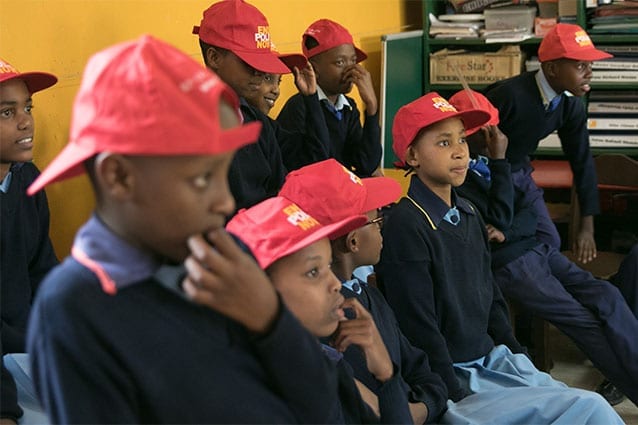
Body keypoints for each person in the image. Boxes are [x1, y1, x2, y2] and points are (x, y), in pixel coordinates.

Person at [25, 35, 340, 424]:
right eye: (202, 179)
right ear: (119, 176)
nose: (226, 202)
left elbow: (323, 406)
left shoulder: (227, 259)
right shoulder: (75, 309)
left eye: (225, 173)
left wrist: (270, 322)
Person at [377, 92, 624, 424]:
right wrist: (450, 395)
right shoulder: (408, 224)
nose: (459, 151)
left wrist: (516, 354)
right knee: (587, 408)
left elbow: (491, 296)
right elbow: (419, 326)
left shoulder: (467, 212)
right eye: (443, 143)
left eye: (462, 140)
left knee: (578, 402)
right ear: (412, 155)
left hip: (493, 360)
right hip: (455, 374)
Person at [451, 89, 638, 407]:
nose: (499, 135)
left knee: (607, 296)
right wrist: (499, 162)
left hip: (536, 248)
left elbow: (526, 214)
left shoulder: (490, 164)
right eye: (491, 129)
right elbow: (498, 216)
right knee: (586, 324)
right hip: (515, 265)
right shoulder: (463, 175)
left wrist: (507, 230)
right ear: (477, 134)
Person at [278, 158, 449, 424]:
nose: (382, 226)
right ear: (353, 241)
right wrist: (408, 411)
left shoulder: (369, 296)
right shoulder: (322, 326)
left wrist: (422, 407)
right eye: (377, 218)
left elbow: (421, 370)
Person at [224, 195, 412, 424]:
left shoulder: (326, 361)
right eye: (313, 272)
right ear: (258, 289)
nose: (334, 284)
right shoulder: (247, 393)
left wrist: (386, 376)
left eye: (328, 266)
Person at [484, 23, 612, 264]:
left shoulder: (569, 105)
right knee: (504, 241)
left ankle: (542, 286)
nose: (589, 72)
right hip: (487, 177)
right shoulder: (509, 95)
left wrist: (587, 225)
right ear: (552, 69)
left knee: (549, 241)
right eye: (580, 65)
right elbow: (470, 143)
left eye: (590, 65)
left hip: (519, 173)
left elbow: (582, 160)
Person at [193, 0, 330, 209]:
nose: (259, 72)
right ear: (214, 58)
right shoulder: (187, 124)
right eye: (249, 63)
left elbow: (311, 161)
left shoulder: (257, 123)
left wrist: (311, 99)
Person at [0, 57, 58, 425]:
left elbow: (43, 270)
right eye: (6, 113)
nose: (26, 121)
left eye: (27, 107)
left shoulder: (27, 180)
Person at [277, 18, 382, 177]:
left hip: (344, 189)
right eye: (340, 63)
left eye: (353, 61)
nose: (351, 70)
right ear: (313, 69)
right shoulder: (299, 106)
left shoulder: (348, 107)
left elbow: (367, 164)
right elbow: (310, 164)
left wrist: (372, 108)